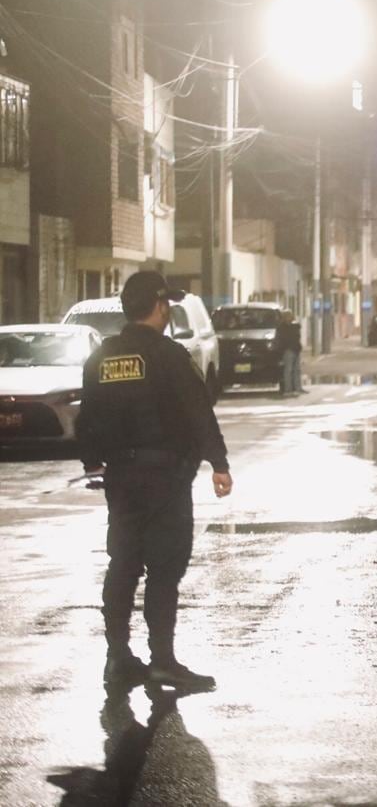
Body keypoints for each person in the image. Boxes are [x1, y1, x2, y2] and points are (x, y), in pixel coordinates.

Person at [77, 271, 233, 693]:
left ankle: (118, 659)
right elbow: (198, 412)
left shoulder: (102, 358)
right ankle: (162, 661)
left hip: (121, 478)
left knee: (123, 564)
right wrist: (218, 463)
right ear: (160, 306)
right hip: (165, 479)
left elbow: (86, 417)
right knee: (165, 568)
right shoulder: (169, 356)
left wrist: (94, 464)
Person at [275, 309, 303, 396]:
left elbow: (297, 336)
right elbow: (281, 340)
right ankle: (288, 389)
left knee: (296, 370)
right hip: (288, 350)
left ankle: (297, 388)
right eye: (287, 316)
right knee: (288, 370)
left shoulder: (294, 326)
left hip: (295, 349)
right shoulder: (282, 327)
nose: (289, 318)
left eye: (290, 316)